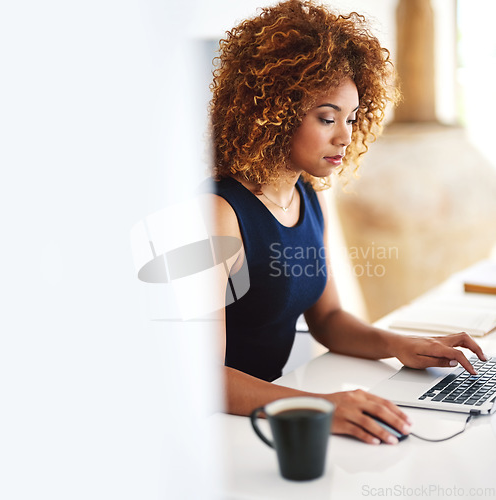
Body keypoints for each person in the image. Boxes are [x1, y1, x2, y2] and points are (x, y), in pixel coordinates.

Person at [202, 0, 486, 445]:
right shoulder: (219, 213)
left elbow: (329, 318)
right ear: (273, 112)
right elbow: (202, 378)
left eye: (351, 118)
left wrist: (399, 345)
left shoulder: (306, 194)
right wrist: (319, 406)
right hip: (224, 429)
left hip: (276, 416)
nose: (345, 135)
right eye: (327, 117)